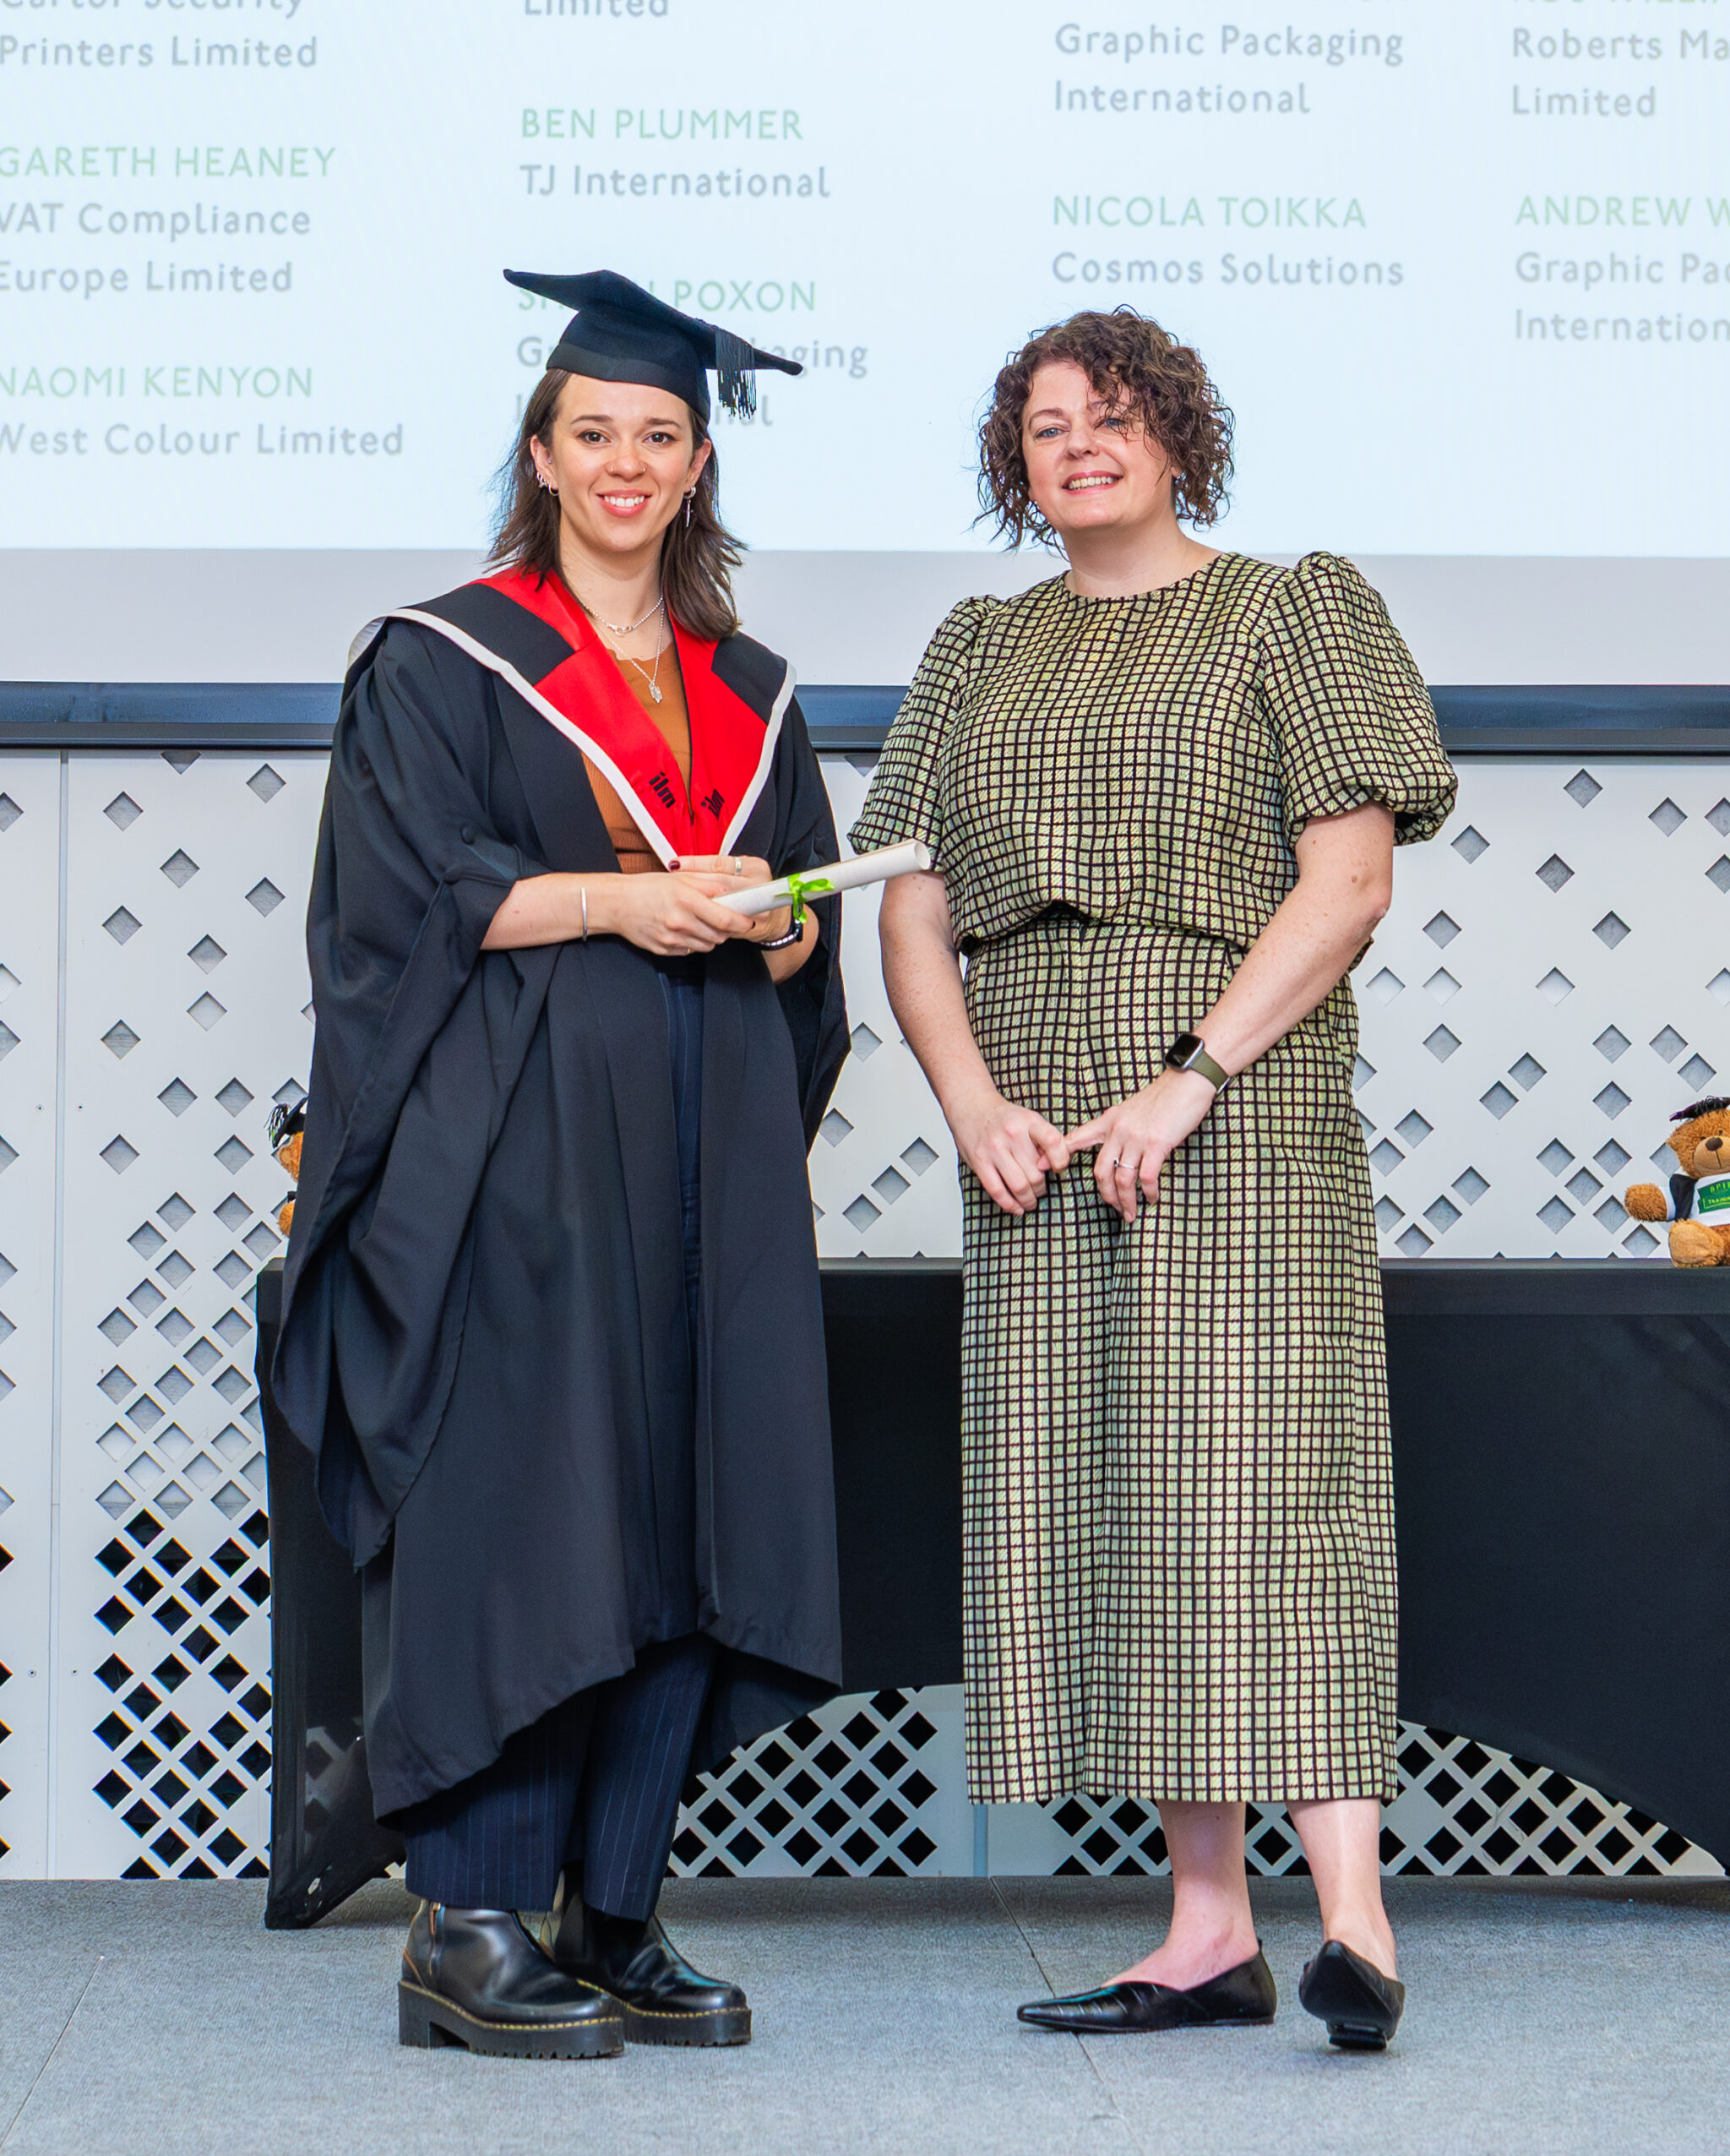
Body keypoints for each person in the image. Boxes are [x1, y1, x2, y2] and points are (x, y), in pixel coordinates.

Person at [851, 307, 1456, 2052]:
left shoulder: (1291, 608)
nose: (1079, 445)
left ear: (1180, 435)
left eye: (1112, 415)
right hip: (1036, 1113)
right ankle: (1205, 1931)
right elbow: (912, 903)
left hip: (1235, 1098)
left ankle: (1354, 1922)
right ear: (1015, 463)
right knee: (1114, 1497)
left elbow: (1348, 884)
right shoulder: (978, 642)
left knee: (1270, 1490)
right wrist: (972, 1099)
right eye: (1046, 426)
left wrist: (1190, 1077)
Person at [274, 270, 847, 2060]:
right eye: (593, 432)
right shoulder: (440, 658)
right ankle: (464, 1921)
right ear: (541, 453)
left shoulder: (751, 690)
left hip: (707, 1164)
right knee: (528, 1503)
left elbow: (805, 927)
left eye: (658, 436)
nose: (625, 462)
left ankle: (614, 1906)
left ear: (696, 468)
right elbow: (402, 906)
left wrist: (775, 929)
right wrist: (620, 900)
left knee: (684, 1507)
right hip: (518, 1162)